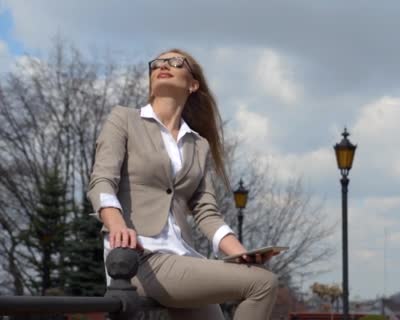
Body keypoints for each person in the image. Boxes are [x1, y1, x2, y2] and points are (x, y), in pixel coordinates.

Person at [87, 48, 278, 320]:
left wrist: (241, 254)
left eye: (175, 62)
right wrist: (117, 225)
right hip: (141, 259)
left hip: (184, 262)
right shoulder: (124, 120)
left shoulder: (198, 144)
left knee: (255, 278)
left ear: (193, 84)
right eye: (158, 63)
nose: (163, 65)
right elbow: (101, 180)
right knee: (263, 283)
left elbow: (206, 210)